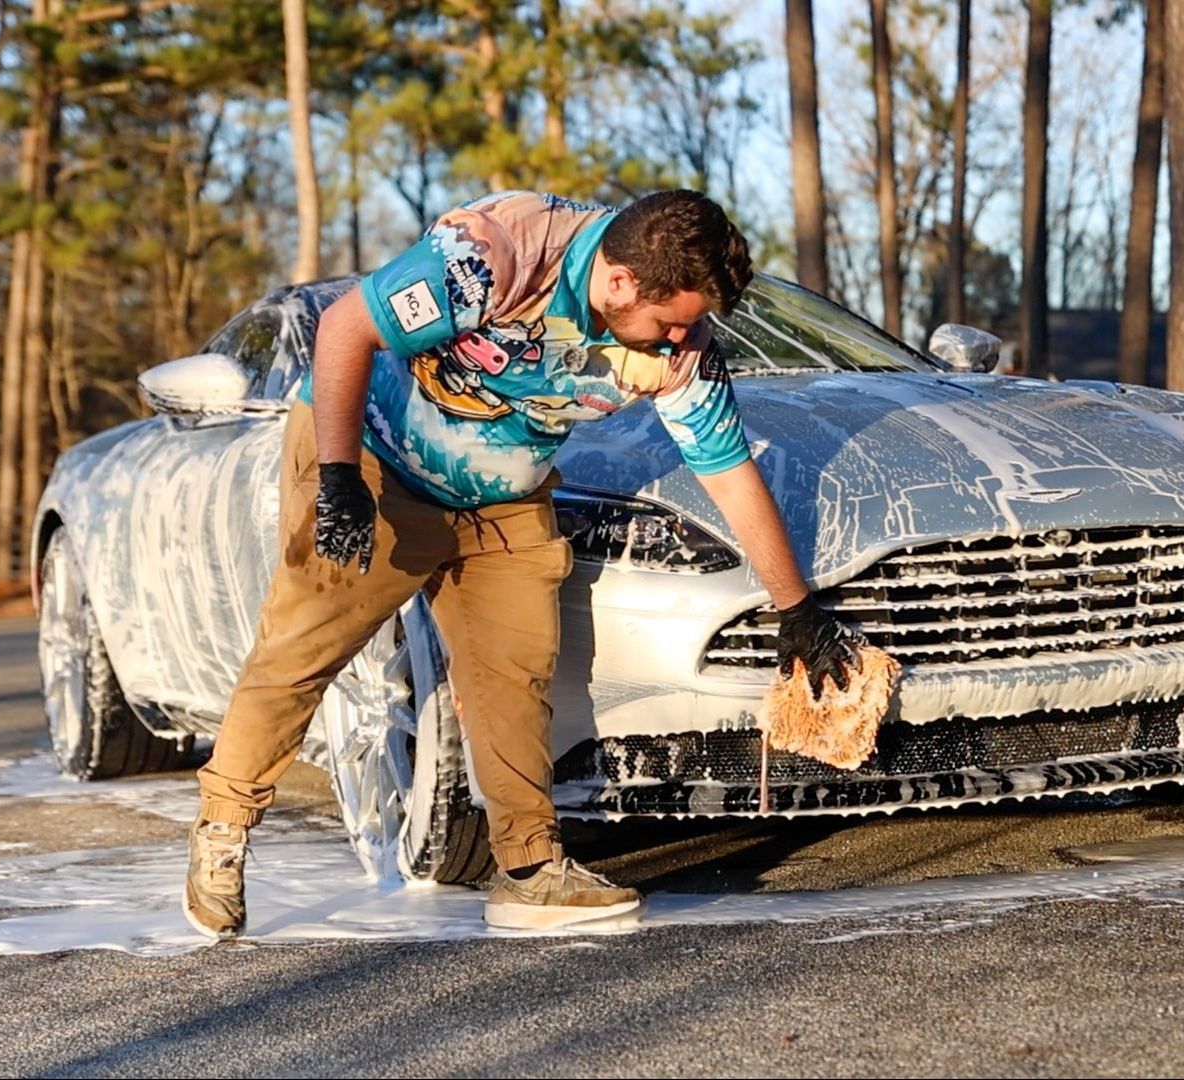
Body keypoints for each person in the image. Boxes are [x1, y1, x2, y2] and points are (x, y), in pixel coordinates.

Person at [184, 189, 858, 938]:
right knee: (305, 645)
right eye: (672, 321)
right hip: (372, 453)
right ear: (621, 283)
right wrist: (338, 476)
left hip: (502, 489)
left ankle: (530, 869)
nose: (683, 337)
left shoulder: (682, 348)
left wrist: (794, 605)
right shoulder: (493, 257)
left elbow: (728, 470)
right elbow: (345, 328)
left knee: (515, 665)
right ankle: (223, 830)